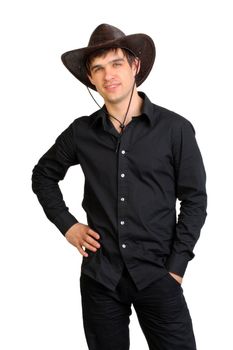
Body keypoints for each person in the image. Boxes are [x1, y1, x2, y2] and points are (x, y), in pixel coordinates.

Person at [32, 23, 207, 350]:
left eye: (116, 64)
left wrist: (177, 267)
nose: (108, 74)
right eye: (98, 68)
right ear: (91, 79)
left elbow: (195, 200)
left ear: (134, 67)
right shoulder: (81, 133)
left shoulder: (175, 130)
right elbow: (43, 175)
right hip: (101, 278)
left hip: (158, 274)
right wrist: (67, 225)